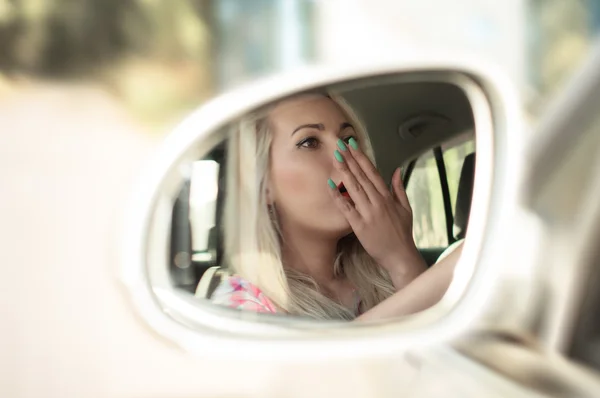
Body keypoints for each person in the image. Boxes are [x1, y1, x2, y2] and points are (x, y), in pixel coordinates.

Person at [206, 92, 463, 320]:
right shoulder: (240, 303)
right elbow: (316, 371)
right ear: (262, 186)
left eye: (349, 140)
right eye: (309, 142)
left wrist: (402, 258)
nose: (345, 159)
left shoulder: (381, 280)